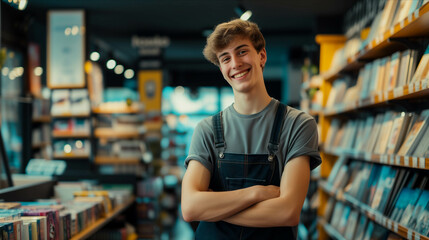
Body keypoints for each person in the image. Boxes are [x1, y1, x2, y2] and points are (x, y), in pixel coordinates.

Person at [181, 18, 321, 239]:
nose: (235, 63)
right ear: (221, 68)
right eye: (225, 58)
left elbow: (287, 212)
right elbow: (190, 208)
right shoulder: (206, 129)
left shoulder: (297, 124)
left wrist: (213, 209)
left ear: (262, 56)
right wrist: (256, 193)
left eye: (242, 51)